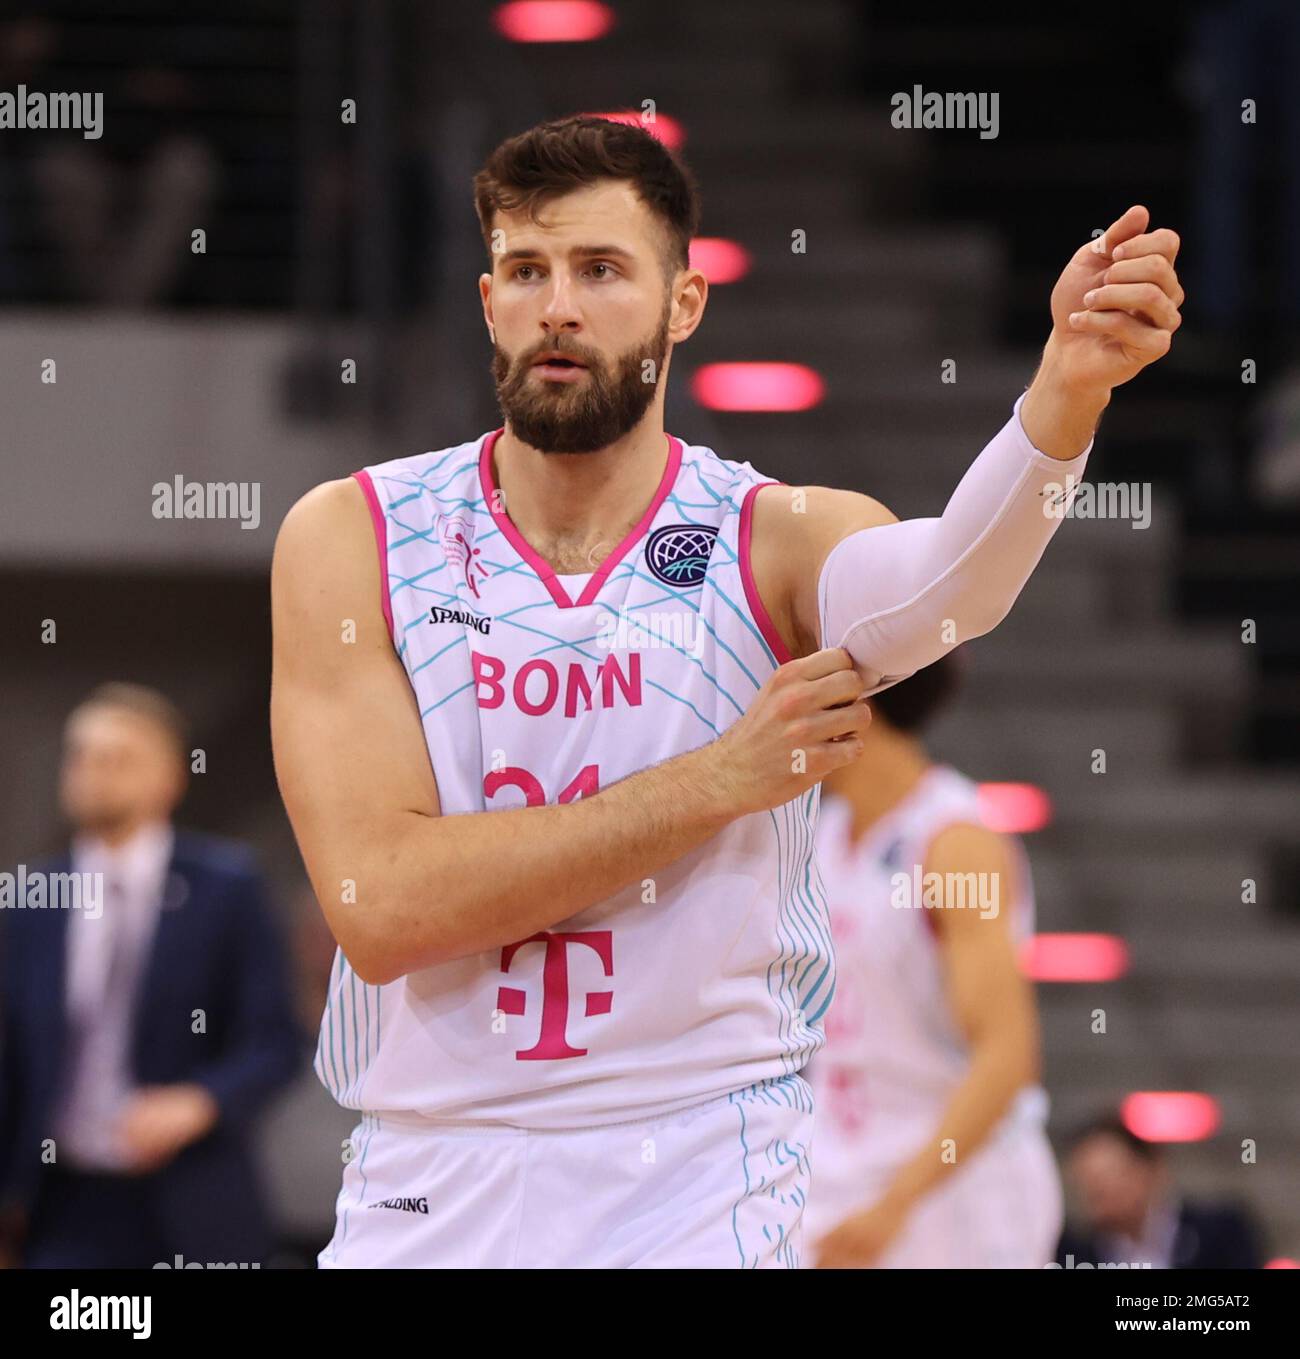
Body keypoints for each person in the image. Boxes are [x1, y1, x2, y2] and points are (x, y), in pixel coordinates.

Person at [269, 114, 1184, 1268]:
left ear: (684, 304)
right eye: (526, 270)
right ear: (489, 299)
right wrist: (714, 782)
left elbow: (951, 584)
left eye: (600, 270)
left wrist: (1064, 396)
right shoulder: (352, 534)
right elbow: (384, 909)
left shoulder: (773, 536)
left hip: (695, 1170)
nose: (559, 305)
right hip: (425, 1165)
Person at [0, 683, 302, 1268]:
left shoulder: (226, 886)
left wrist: (199, 1102)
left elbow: (275, 1039)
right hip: (63, 1200)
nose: (95, 771)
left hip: (190, 1196)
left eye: (118, 757)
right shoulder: (32, 895)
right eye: (82, 754)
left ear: (170, 777)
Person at [803, 654, 1061, 1268]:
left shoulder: (951, 842)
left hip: (953, 1192)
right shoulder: (822, 837)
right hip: (844, 1171)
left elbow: (1007, 1055)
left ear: (856, 709)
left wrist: (897, 1204)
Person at [1056, 1115, 1263, 1269]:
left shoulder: (1221, 1232)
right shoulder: (1073, 1254)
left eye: (1113, 1174)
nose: (1103, 1189)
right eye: (1089, 1181)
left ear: (1152, 1168)